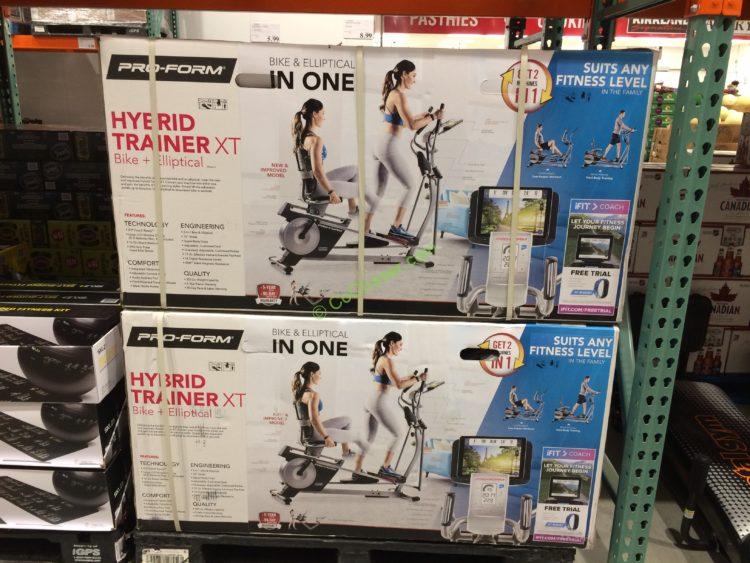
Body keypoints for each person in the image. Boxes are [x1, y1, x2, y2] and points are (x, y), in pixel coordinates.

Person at [365, 60, 444, 242]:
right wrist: (433, 117)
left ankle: (365, 232)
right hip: (388, 146)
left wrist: (423, 116)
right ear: (404, 75)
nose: (414, 80)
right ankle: (396, 227)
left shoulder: (393, 93)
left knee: (379, 191)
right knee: (410, 185)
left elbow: (401, 120)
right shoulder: (399, 96)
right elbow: (411, 125)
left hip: (379, 143)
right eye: (413, 75)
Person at [353, 331, 426, 482]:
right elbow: (398, 385)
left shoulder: (382, 359)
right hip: (378, 402)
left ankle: (357, 470)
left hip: (371, 400)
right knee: (398, 434)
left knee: (369, 437)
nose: (401, 347)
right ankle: (385, 468)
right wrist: (418, 379)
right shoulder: (388, 361)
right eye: (400, 344)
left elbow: (392, 381)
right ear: (392, 343)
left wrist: (410, 378)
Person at [293, 98, 370, 216]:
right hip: (316, 189)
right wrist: (331, 192)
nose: (324, 117)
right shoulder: (315, 140)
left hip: (307, 186)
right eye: (323, 113)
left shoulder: (302, 136)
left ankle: (353, 209)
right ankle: (363, 216)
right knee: (361, 189)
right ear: (314, 114)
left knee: (355, 170)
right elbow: (317, 172)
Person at [292, 361, 354, 458]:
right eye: (319, 374)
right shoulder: (313, 395)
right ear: (312, 374)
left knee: (347, 420)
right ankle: (347, 454)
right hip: (314, 434)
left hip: (305, 432)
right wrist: (326, 437)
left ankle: (346, 452)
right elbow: (314, 419)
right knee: (351, 435)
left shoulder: (299, 392)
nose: (320, 377)